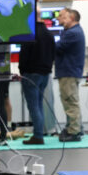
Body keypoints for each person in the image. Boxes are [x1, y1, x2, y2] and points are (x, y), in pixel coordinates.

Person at [19, 16, 56, 145]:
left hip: (30, 74)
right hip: (45, 74)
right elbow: (53, 54)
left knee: (34, 106)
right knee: (39, 105)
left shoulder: (29, 33)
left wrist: (21, 71)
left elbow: (24, 55)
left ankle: (38, 136)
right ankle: (39, 133)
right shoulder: (50, 34)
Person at [55, 7, 86, 142]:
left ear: (71, 18)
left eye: (61, 16)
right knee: (70, 101)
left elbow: (57, 47)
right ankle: (74, 128)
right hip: (69, 71)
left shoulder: (72, 33)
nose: (58, 18)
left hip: (69, 72)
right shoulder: (71, 32)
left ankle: (74, 132)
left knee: (70, 102)